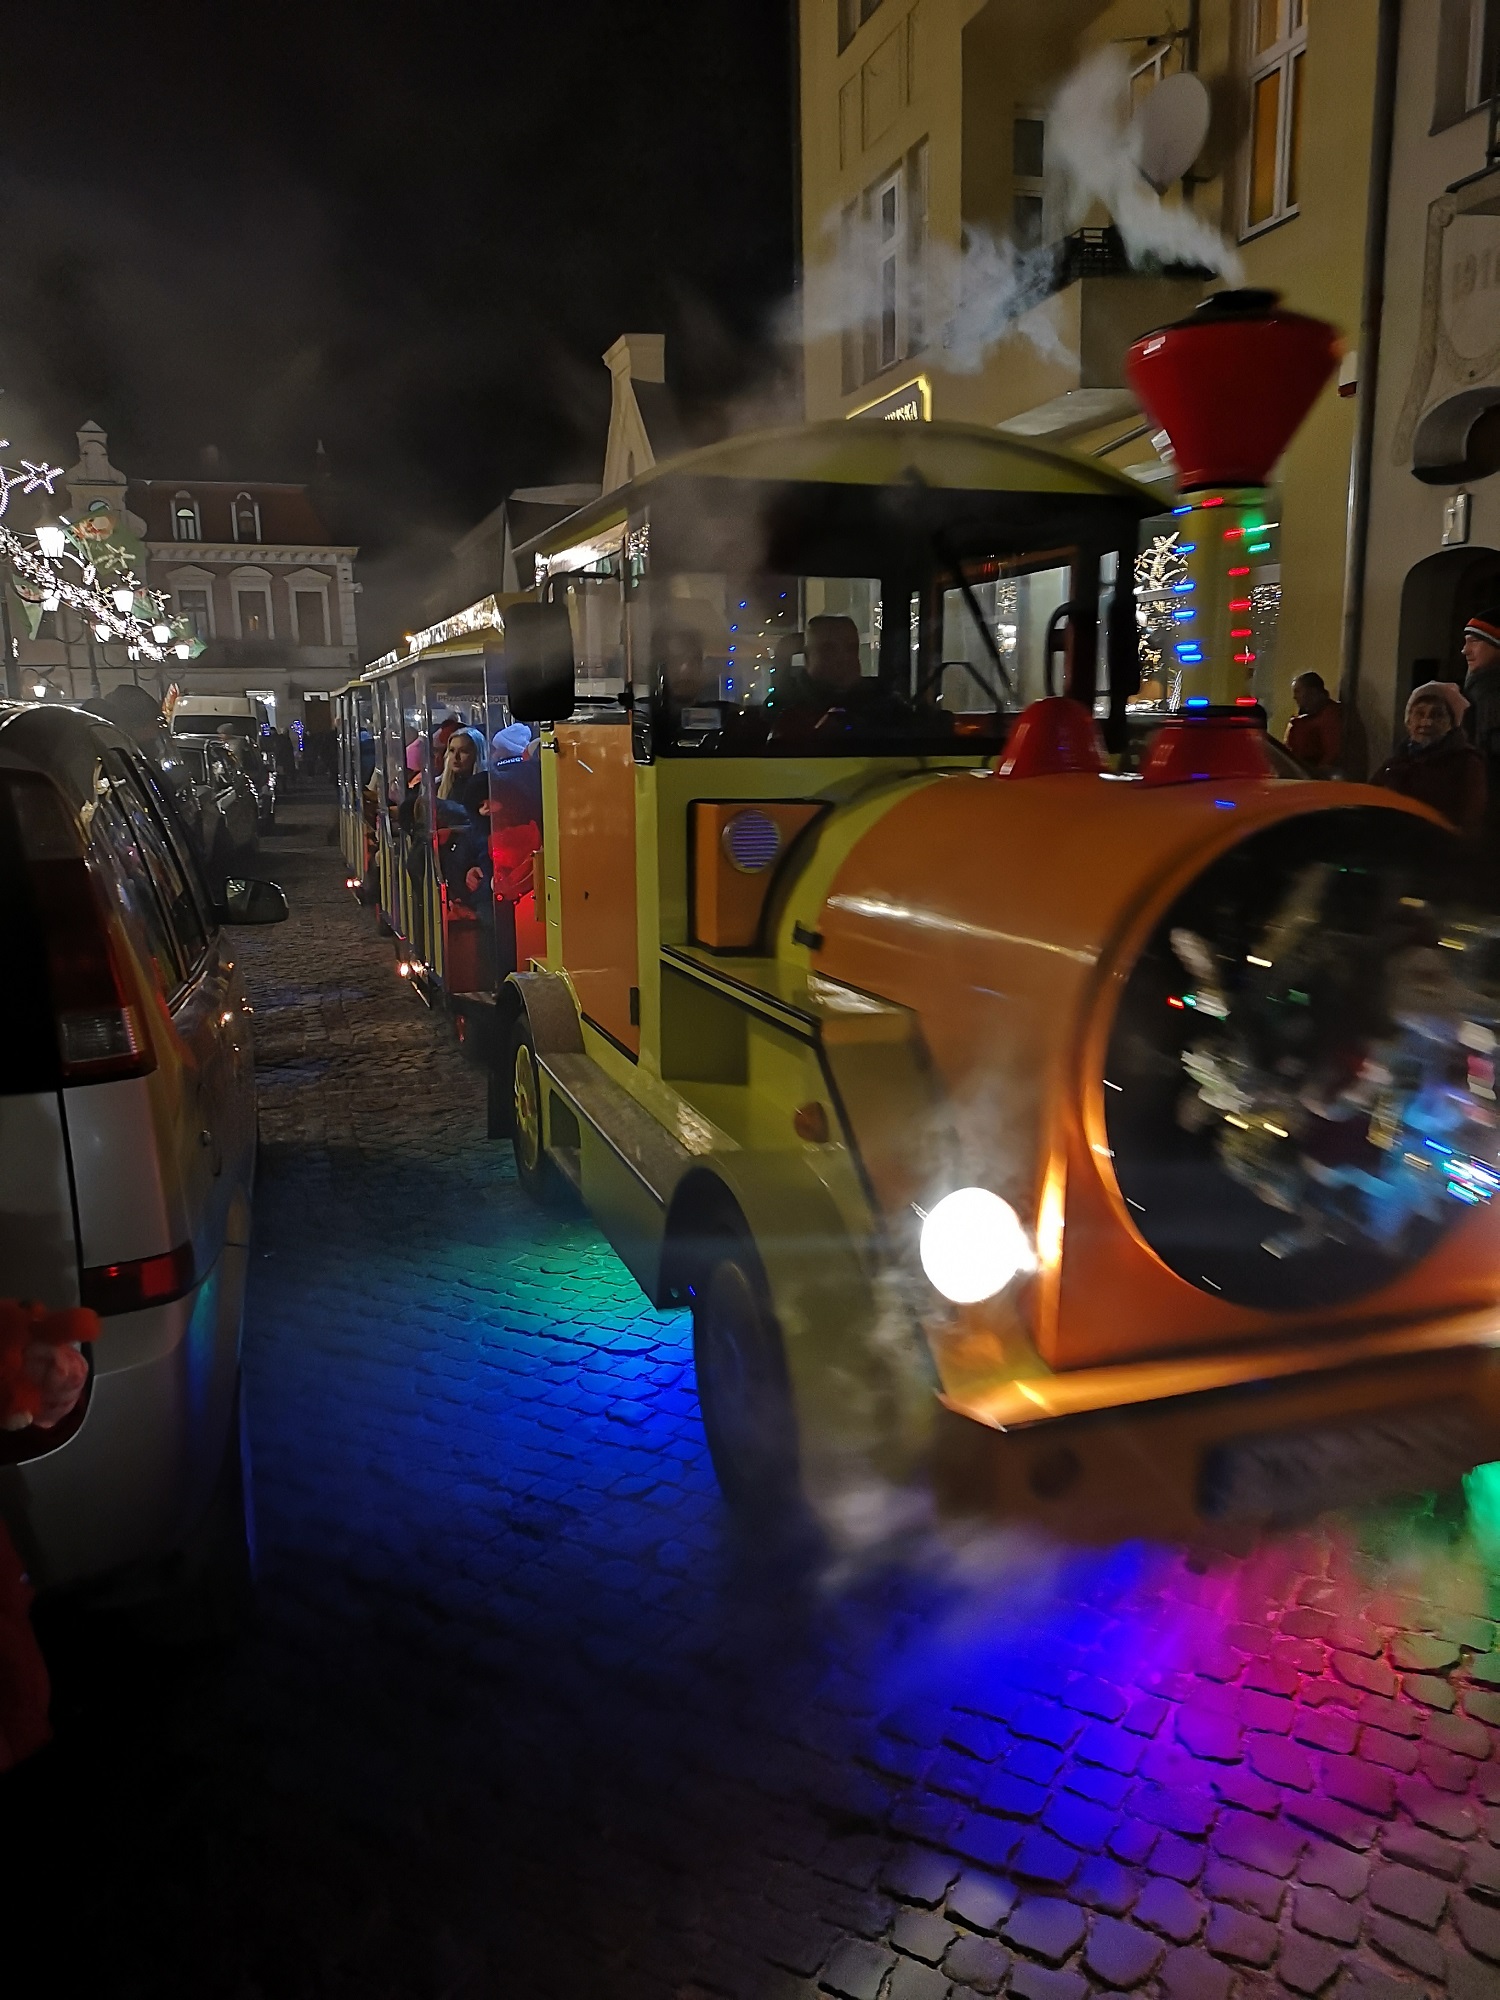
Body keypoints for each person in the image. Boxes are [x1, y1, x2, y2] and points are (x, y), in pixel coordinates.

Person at [1371, 680, 1486, 838]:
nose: (1426, 722)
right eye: (1419, 714)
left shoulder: (1467, 762)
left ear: (1451, 724)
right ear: (1409, 721)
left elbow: (1470, 822)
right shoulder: (1395, 763)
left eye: (1437, 715)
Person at [1284, 672, 1343, 776]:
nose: (1294, 697)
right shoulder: (1306, 716)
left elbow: (1332, 753)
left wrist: (1315, 775)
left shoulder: (1329, 716)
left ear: (1313, 692)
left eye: (1298, 691)